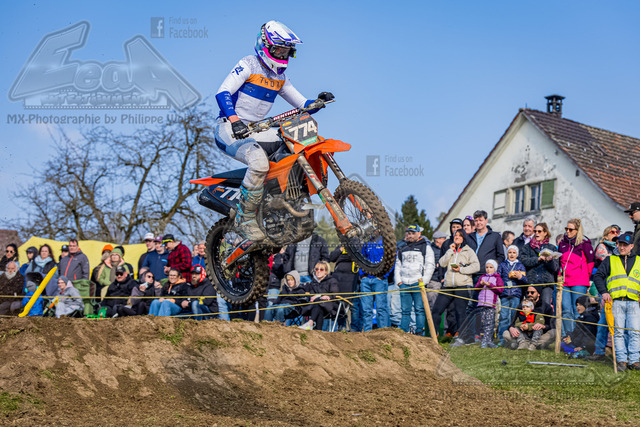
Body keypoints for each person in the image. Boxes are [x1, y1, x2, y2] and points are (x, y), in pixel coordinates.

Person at [214, 20, 332, 242]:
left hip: (258, 130)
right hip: (230, 128)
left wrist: (317, 102)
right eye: (278, 50)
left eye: (286, 51)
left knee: (297, 146)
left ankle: (282, 201)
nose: (282, 55)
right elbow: (223, 92)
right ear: (265, 45)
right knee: (259, 163)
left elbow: (301, 104)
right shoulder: (248, 64)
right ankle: (245, 217)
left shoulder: (280, 78)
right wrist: (235, 120)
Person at [592, 231, 640, 372]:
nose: (622, 247)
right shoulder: (610, 260)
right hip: (616, 302)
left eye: (625, 245)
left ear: (631, 246)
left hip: (634, 302)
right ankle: (621, 361)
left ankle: (634, 360)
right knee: (618, 333)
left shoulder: (639, 260)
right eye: (620, 244)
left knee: (635, 332)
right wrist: (604, 292)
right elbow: (598, 276)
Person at [433, 229, 480, 337]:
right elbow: (442, 263)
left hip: (463, 285)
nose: (457, 237)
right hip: (448, 285)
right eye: (455, 235)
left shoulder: (468, 251)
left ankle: (462, 338)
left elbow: (476, 266)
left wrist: (461, 269)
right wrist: (450, 251)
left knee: (460, 312)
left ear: (464, 238)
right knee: (436, 309)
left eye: (459, 235)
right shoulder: (450, 250)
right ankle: (433, 335)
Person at [394, 224, 436, 336]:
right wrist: (399, 281)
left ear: (419, 233)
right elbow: (398, 265)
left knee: (419, 309)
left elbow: (430, 265)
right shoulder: (402, 247)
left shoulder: (425, 247)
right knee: (405, 311)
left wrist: (424, 281)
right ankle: (404, 333)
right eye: (409, 233)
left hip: (418, 283)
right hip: (404, 283)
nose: (411, 235)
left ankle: (419, 332)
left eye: (413, 233)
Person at [558, 218, 594, 336]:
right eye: (566, 229)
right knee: (566, 310)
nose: (568, 231)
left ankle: (578, 338)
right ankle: (569, 336)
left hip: (579, 281)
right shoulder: (562, 243)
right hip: (565, 281)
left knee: (578, 309)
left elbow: (590, 262)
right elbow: (560, 262)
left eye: (571, 229)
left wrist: (585, 277)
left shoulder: (585, 244)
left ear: (577, 230)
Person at [502, 286, 556, 350]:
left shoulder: (546, 306)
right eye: (528, 293)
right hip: (523, 335)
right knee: (506, 333)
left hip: (538, 335)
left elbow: (550, 325)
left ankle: (530, 344)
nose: (529, 294)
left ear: (538, 294)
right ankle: (527, 344)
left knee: (554, 332)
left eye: (532, 292)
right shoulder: (521, 306)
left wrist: (543, 326)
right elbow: (514, 322)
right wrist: (511, 328)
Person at [520, 222, 559, 308]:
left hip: (546, 283)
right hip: (531, 282)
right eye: (535, 231)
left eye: (539, 231)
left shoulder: (552, 248)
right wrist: (537, 259)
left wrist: (549, 261)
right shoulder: (527, 247)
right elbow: (523, 261)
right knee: (530, 308)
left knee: (545, 308)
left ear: (545, 233)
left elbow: (555, 268)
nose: (537, 233)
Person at [497, 245, 527, 345]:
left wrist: (520, 277)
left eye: (514, 253)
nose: (512, 254)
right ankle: (502, 339)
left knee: (514, 316)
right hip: (505, 294)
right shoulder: (502, 265)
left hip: (516, 294)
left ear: (517, 254)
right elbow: (498, 277)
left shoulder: (520, 265)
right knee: (504, 316)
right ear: (507, 254)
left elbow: (525, 280)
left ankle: (514, 338)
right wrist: (500, 288)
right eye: (510, 252)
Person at [359, 239, 390, 331]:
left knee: (381, 308)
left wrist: (383, 275)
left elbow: (392, 260)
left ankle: (383, 332)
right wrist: (362, 275)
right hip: (366, 279)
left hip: (380, 279)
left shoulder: (386, 241)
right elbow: (360, 258)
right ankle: (367, 332)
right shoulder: (366, 242)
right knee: (366, 309)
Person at [299, 261, 339, 330]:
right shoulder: (313, 282)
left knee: (318, 302)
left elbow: (335, 294)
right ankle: (317, 331)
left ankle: (310, 323)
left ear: (326, 272)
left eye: (321, 269)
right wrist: (311, 297)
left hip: (329, 306)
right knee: (318, 306)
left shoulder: (332, 281)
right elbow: (311, 294)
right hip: (317, 306)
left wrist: (327, 296)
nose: (318, 271)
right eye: (317, 269)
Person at [475, 260, 503, 348]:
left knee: (490, 323)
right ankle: (489, 341)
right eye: (487, 267)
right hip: (481, 303)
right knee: (484, 323)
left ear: (495, 268)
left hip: (491, 304)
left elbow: (500, 290)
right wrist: (481, 284)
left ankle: (485, 341)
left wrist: (489, 285)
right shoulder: (482, 277)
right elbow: (476, 289)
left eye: (491, 267)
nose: (488, 269)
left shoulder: (497, 278)